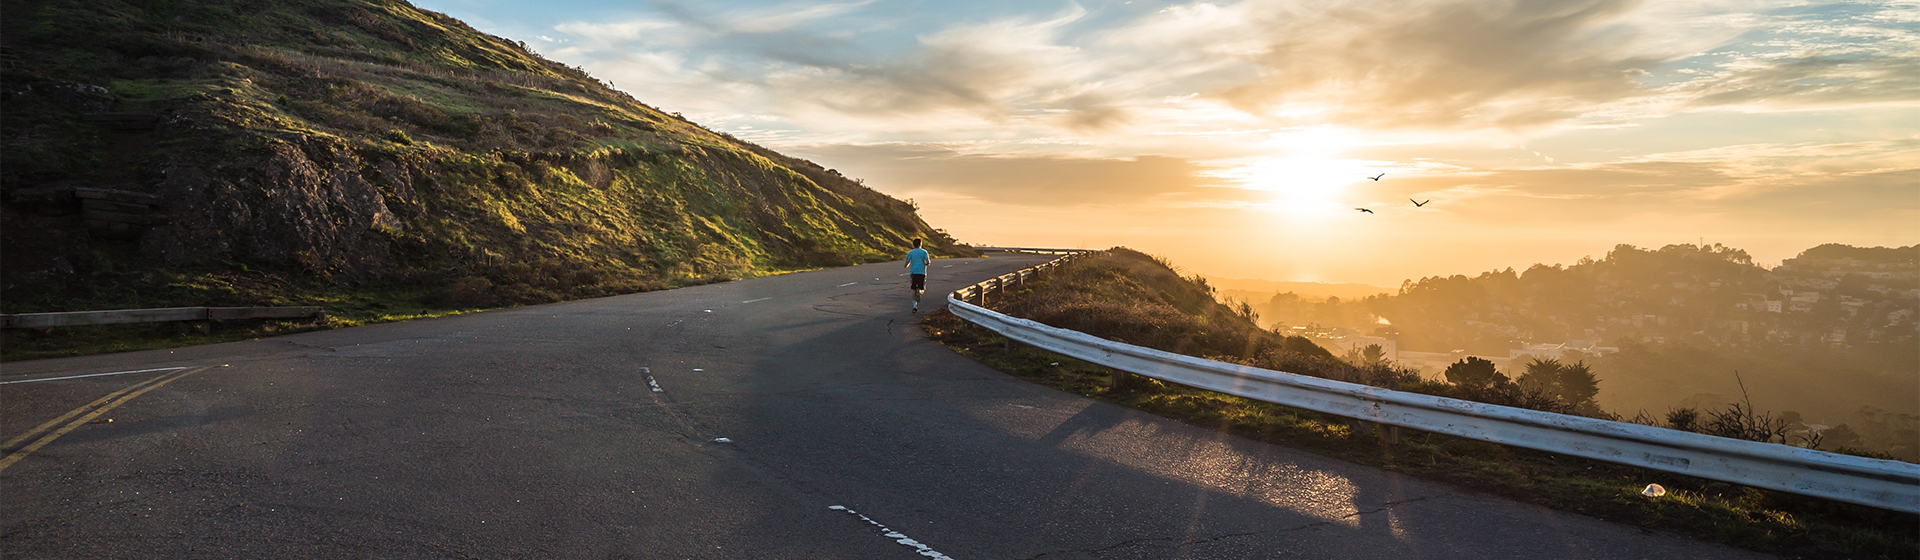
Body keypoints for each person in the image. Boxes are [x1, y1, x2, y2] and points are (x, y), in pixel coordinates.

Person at [904, 238, 931, 313]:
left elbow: (906, 264)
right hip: (921, 273)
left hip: (913, 273)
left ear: (913, 244)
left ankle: (914, 306)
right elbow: (927, 262)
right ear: (920, 244)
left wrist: (907, 265)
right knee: (922, 288)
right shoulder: (924, 252)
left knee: (913, 290)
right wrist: (927, 263)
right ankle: (919, 292)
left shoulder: (910, 252)